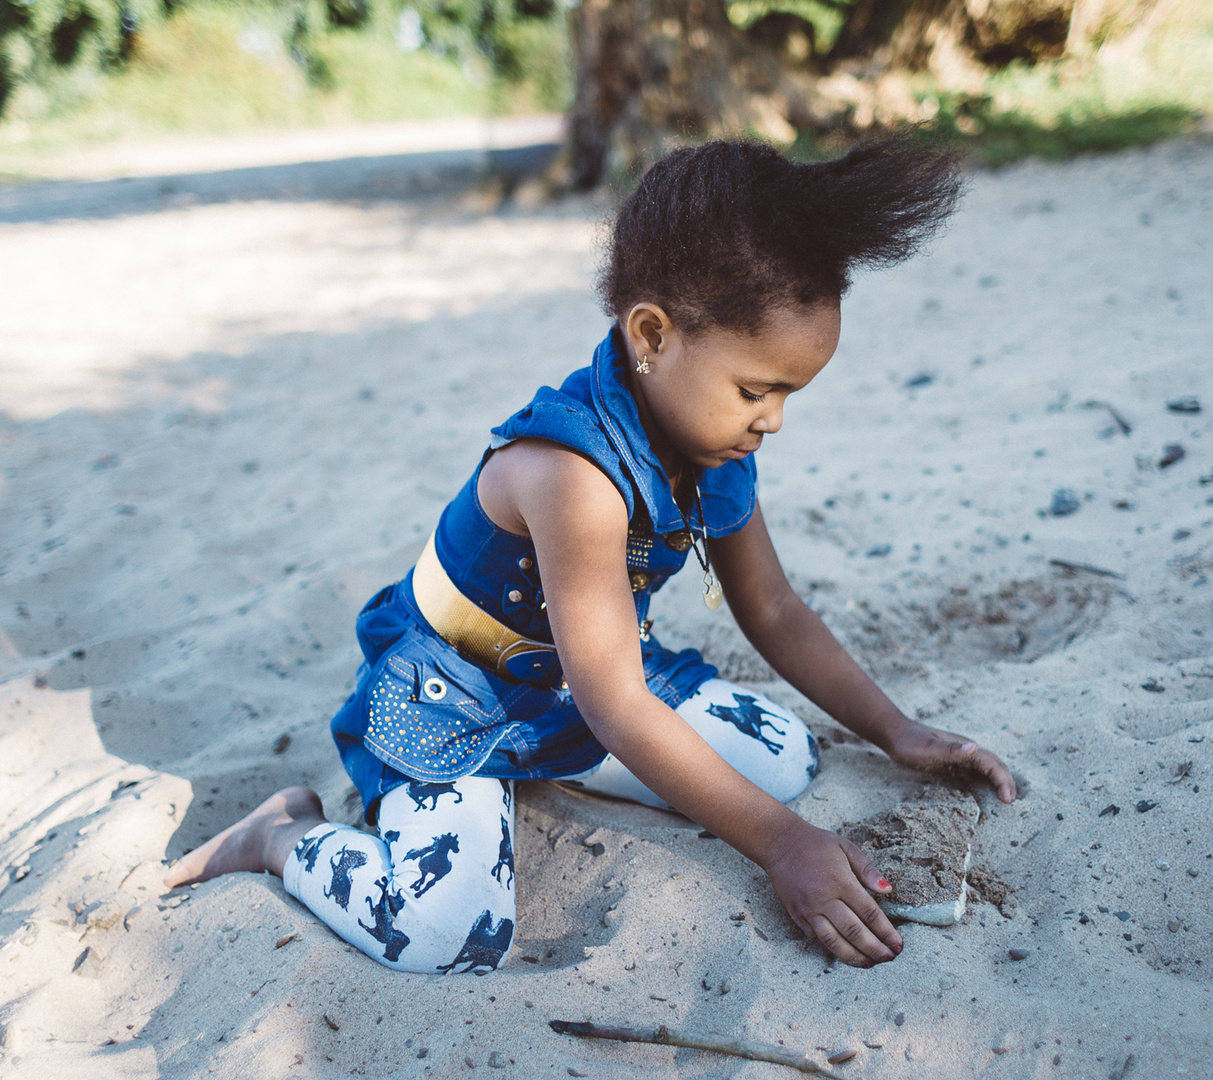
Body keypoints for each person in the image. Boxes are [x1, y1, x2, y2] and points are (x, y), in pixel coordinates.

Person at [164, 137, 1018, 975]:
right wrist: (782, 846)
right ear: (651, 332)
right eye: (756, 390)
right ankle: (281, 836)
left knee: (785, 758)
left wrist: (898, 731)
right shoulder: (572, 477)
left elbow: (774, 609)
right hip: (453, 700)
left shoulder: (713, 447)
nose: (773, 422)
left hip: (578, 685)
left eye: (789, 394)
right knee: (450, 937)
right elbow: (618, 705)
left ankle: (542, 772)